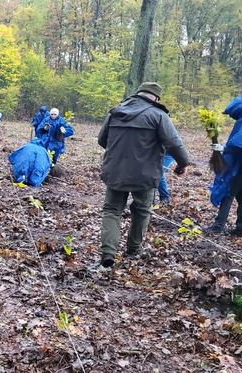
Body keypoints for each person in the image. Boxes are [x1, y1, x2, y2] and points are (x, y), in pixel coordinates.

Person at [97, 82, 189, 268]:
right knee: (141, 211)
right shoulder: (159, 115)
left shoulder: (116, 111)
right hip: (145, 175)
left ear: (138, 93)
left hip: (116, 172)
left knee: (112, 211)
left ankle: (108, 253)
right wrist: (183, 163)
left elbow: (102, 140)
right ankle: (133, 250)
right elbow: (174, 143)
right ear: (156, 98)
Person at [204, 96, 242, 236]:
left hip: (239, 167)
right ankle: (240, 228)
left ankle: (218, 226)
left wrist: (223, 149)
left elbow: (238, 144)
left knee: (228, 193)